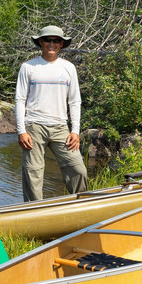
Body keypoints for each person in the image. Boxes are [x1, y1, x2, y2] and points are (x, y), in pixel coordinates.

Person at [14, 25, 88, 202]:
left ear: (62, 44)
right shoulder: (28, 67)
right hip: (33, 126)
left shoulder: (68, 68)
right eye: (48, 40)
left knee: (78, 169)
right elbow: (20, 100)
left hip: (61, 127)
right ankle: (33, 213)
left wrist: (75, 131)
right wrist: (21, 131)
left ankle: (81, 204)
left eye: (56, 41)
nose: (52, 44)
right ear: (41, 42)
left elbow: (75, 101)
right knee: (34, 174)